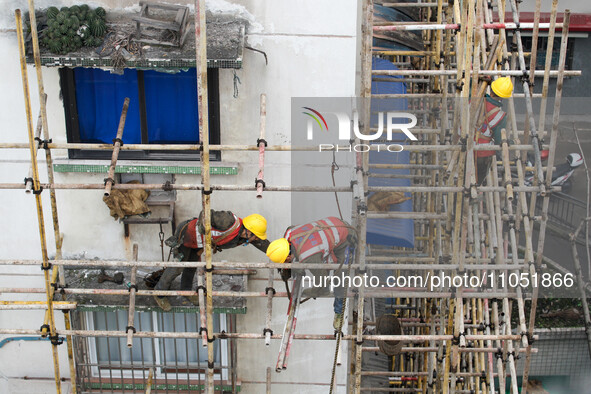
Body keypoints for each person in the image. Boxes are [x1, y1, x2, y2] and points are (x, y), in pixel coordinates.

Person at [153, 211, 269, 311]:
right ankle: (159, 293)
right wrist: (203, 228)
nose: (257, 239)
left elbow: (264, 245)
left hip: (198, 242)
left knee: (192, 266)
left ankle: (186, 291)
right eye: (257, 236)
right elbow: (206, 213)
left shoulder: (243, 236)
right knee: (178, 267)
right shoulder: (228, 220)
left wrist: (283, 255)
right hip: (188, 234)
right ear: (249, 231)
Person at [265, 216, 357, 330]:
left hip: (346, 236)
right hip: (333, 224)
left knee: (340, 277)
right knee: (323, 262)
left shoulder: (309, 256)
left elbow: (322, 281)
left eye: (285, 262)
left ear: (288, 256)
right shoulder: (288, 233)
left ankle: (339, 312)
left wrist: (313, 292)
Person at [475, 76, 513, 185]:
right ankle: (472, 197)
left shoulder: (475, 99)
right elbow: (499, 141)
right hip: (483, 153)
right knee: (476, 182)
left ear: (491, 89)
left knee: (463, 181)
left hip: (466, 147)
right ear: (503, 97)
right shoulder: (500, 116)